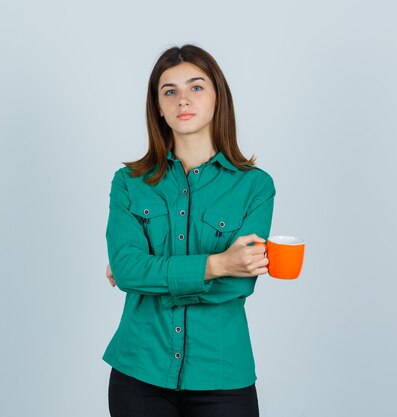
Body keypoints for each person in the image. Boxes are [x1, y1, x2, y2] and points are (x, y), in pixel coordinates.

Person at [103, 44, 275, 417]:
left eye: (196, 87)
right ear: (159, 107)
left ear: (218, 98)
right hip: (138, 373)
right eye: (170, 91)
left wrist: (152, 275)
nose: (183, 99)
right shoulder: (129, 183)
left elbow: (240, 283)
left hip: (223, 377)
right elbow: (130, 268)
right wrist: (217, 265)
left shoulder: (255, 187)